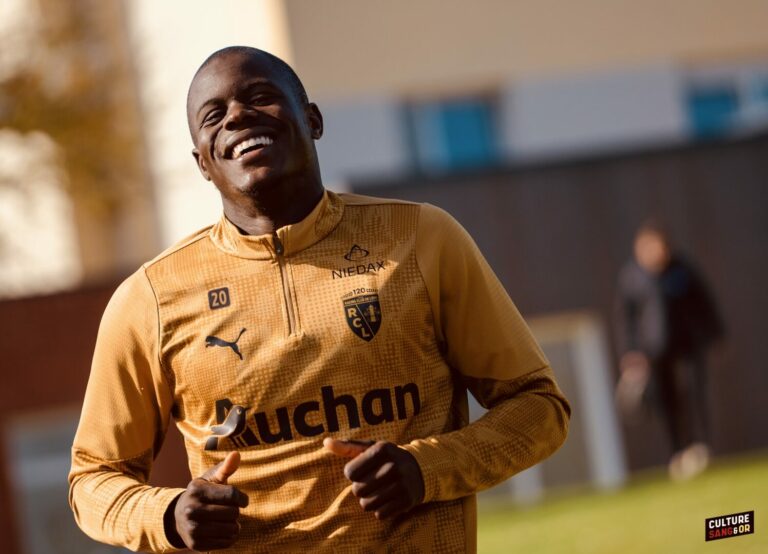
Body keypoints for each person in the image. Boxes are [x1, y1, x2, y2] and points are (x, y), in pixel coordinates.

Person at [68, 46, 570, 553]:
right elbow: (91, 480)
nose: (237, 116)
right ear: (202, 161)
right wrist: (168, 515)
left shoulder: (422, 238)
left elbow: (539, 407)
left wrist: (426, 468)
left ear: (313, 120)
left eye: (259, 96)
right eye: (213, 116)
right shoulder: (151, 297)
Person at [616, 221, 724, 480]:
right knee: (667, 401)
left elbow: (704, 302)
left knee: (693, 392)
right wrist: (631, 352)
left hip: (688, 346)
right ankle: (678, 452)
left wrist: (714, 333)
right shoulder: (632, 277)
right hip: (655, 351)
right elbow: (625, 319)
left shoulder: (682, 269)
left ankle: (701, 447)